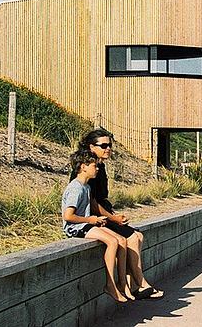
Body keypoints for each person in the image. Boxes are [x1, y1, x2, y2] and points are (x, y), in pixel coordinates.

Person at [75, 129, 163, 299]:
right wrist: (113, 218)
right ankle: (141, 283)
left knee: (138, 236)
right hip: (95, 218)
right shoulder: (88, 169)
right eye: (104, 145)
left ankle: (133, 285)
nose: (108, 148)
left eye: (110, 145)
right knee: (132, 238)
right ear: (90, 146)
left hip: (104, 213)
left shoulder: (99, 166)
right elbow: (92, 204)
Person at [61, 151, 133, 303]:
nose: (98, 168)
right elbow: (68, 216)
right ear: (83, 167)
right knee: (113, 242)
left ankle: (122, 283)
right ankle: (110, 284)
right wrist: (91, 220)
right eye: (94, 165)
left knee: (121, 240)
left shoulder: (86, 187)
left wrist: (98, 220)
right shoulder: (76, 188)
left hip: (86, 224)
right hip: (76, 227)